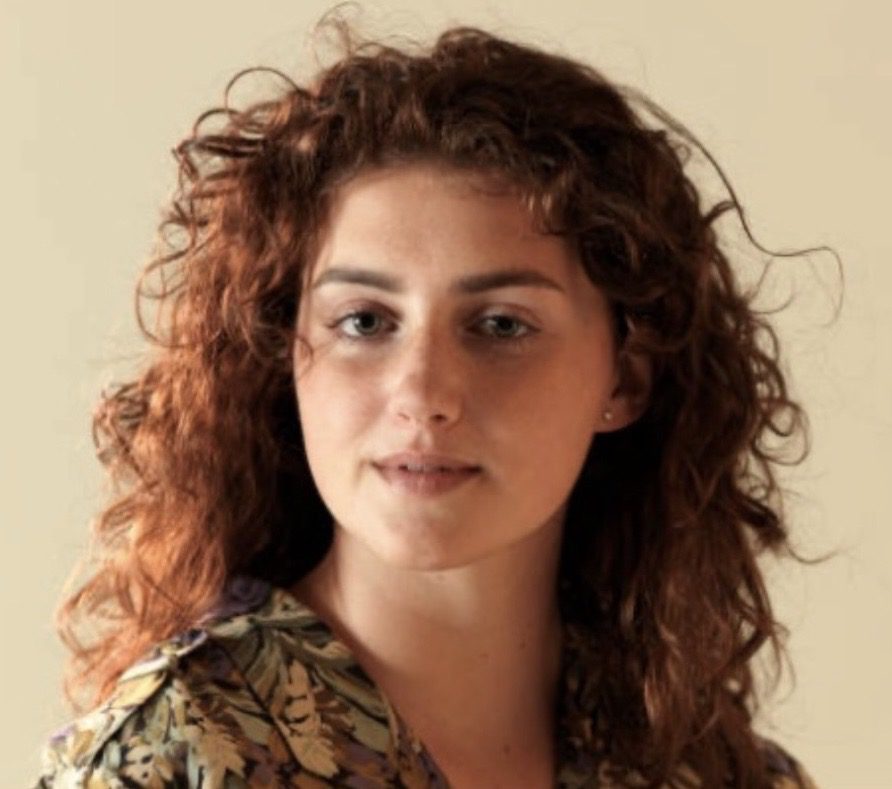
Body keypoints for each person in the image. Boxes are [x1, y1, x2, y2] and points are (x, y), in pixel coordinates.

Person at [33, 11, 824, 789]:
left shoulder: (713, 770)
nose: (423, 394)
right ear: (285, 353)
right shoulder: (167, 759)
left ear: (624, 378)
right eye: (365, 321)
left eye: (501, 324)